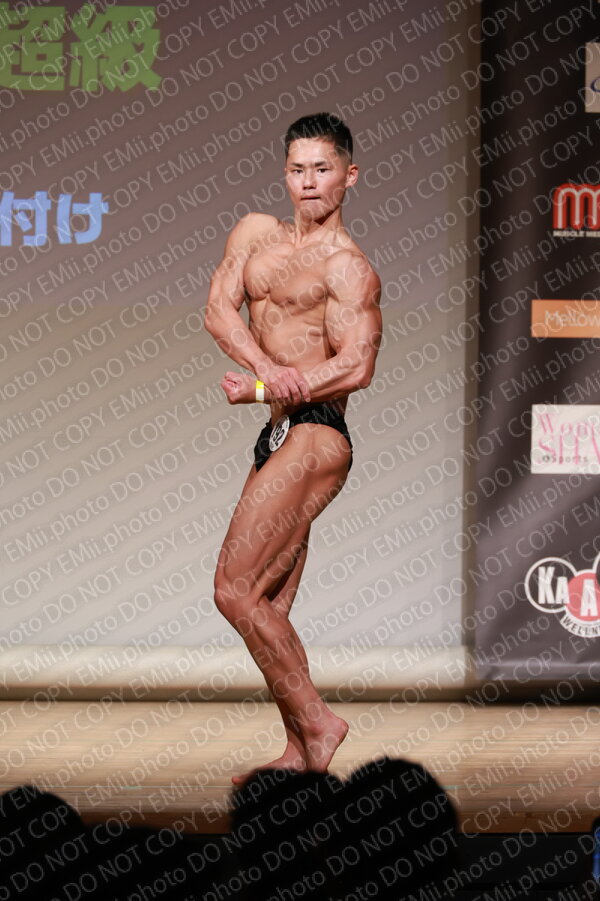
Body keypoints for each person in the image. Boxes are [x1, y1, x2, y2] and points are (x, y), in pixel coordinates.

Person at [204, 112, 382, 784]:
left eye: (323, 169)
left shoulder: (348, 267)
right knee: (268, 606)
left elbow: (358, 364)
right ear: (285, 174)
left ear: (349, 175)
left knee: (233, 589)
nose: (309, 182)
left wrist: (273, 385)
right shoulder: (255, 233)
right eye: (298, 169)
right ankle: (301, 754)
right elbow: (218, 309)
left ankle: (319, 722)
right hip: (278, 429)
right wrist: (262, 372)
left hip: (317, 432)